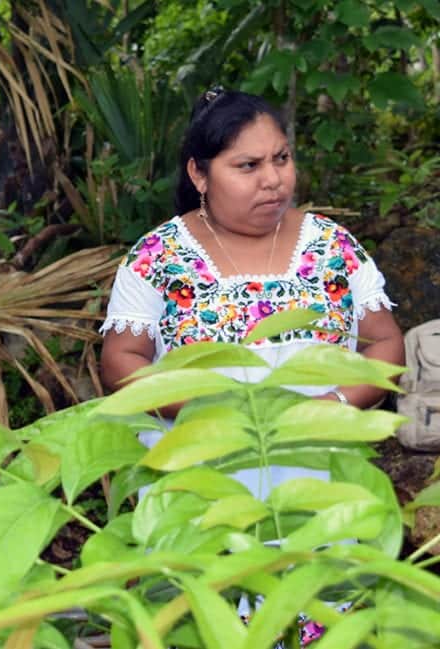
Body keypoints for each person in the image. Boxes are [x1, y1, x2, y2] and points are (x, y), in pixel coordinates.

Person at [99, 88, 404, 645]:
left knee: (322, 617)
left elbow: (384, 345)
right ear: (199, 173)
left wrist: (328, 408)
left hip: (319, 488)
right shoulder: (157, 258)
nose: (273, 179)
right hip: (200, 491)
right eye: (248, 165)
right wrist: (215, 414)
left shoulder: (333, 247)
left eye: (281, 158)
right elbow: (122, 361)